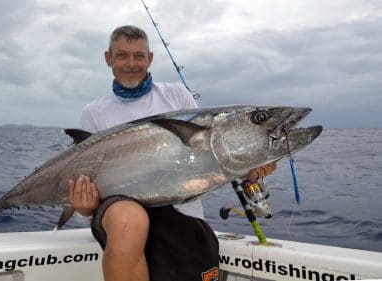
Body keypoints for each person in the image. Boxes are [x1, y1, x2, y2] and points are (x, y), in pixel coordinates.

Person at [68, 25, 276, 281]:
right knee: (128, 219)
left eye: (139, 55)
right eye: (122, 55)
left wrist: (250, 172)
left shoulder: (177, 95)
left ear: (150, 58)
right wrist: (83, 208)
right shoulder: (94, 112)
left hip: (181, 214)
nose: (131, 63)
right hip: (120, 213)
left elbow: (207, 156)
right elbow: (85, 184)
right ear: (108, 58)